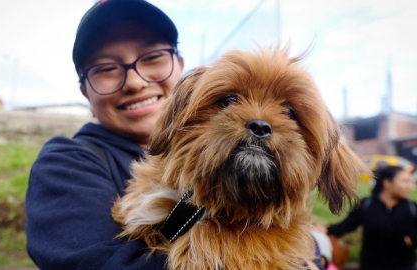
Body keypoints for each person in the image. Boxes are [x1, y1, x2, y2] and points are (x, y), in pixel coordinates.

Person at [25, 1, 323, 269]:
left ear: (180, 66)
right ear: (85, 91)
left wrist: (310, 247)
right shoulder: (67, 163)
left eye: (152, 57)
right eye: (107, 68)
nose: (135, 82)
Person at [318, 166, 416, 270]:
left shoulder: (411, 208)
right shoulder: (367, 205)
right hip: (371, 265)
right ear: (387, 182)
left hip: (405, 266)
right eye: (404, 181)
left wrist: (411, 240)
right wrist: (327, 229)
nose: (408, 186)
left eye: (409, 182)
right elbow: (347, 225)